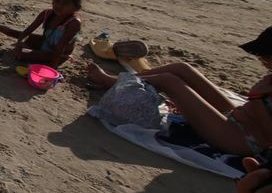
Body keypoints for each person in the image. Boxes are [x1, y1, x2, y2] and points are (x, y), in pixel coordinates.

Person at [88, 27, 272, 157]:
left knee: (169, 81)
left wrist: (257, 98)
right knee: (181, 69)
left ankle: (109, 81)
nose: (262, 62)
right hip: (237, 119)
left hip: (241, 140)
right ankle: (131, 78)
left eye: (266, 58)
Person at [0, 0, 83, 66]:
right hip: (45, 42)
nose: (59, 6)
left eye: (65, 4)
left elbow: (60, 47)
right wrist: (20, 43)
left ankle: (30, 53)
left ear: (76, 8)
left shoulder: (73, 23)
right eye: (57, 1)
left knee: (20, 56)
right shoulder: (47, 14)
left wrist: (52, 67)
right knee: (15, 34)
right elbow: (27, 32)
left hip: (57, 54)